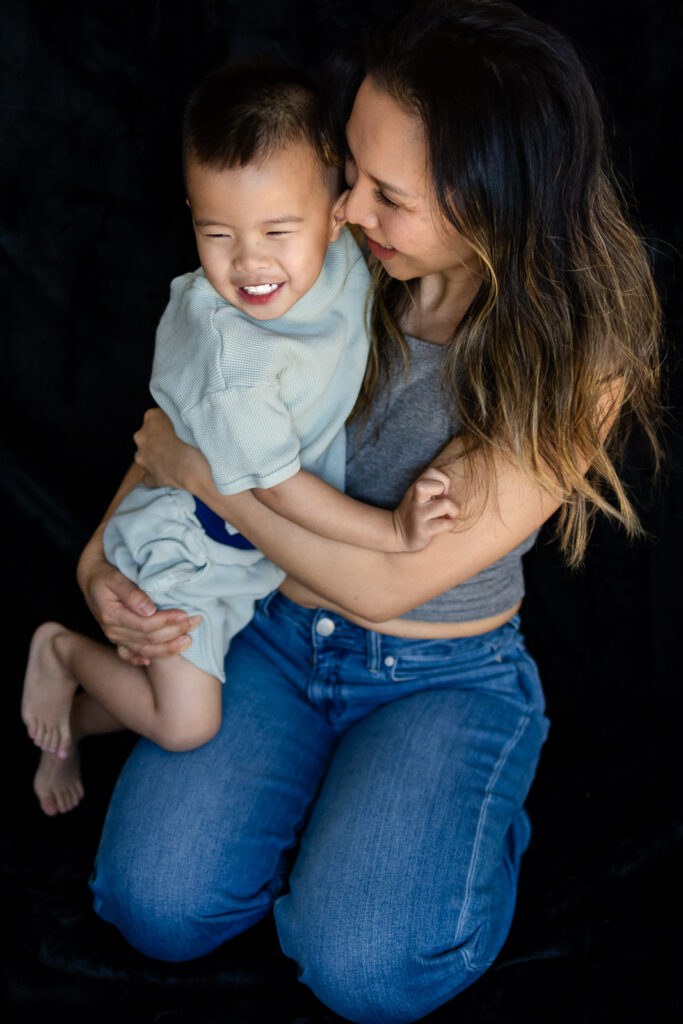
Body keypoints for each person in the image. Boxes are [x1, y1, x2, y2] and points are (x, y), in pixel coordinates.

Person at [71, 1, 662, 1021]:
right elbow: (196, 405)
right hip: (271, 632)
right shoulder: (341, 257)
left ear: (490, 207)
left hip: (437, 670)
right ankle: (318, 801)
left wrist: (206, 486)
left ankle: (439, 819)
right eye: (349, 170)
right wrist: (98, 566)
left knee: (366, 968)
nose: (342, 210)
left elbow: (386, 576)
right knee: (152, 905)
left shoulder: (573, 363)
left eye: (385, 196)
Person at [21, 60, 457, 791]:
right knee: (187, 724)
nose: (250, 264)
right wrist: (393, 533)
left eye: (276, 230)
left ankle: (67, 722)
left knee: (174, 700)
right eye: (215, 233)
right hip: (192, 542)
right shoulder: (238, 358)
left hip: (249, 553)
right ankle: (61, 653)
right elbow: (280, 492)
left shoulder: (349, 253)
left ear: (335, 209)